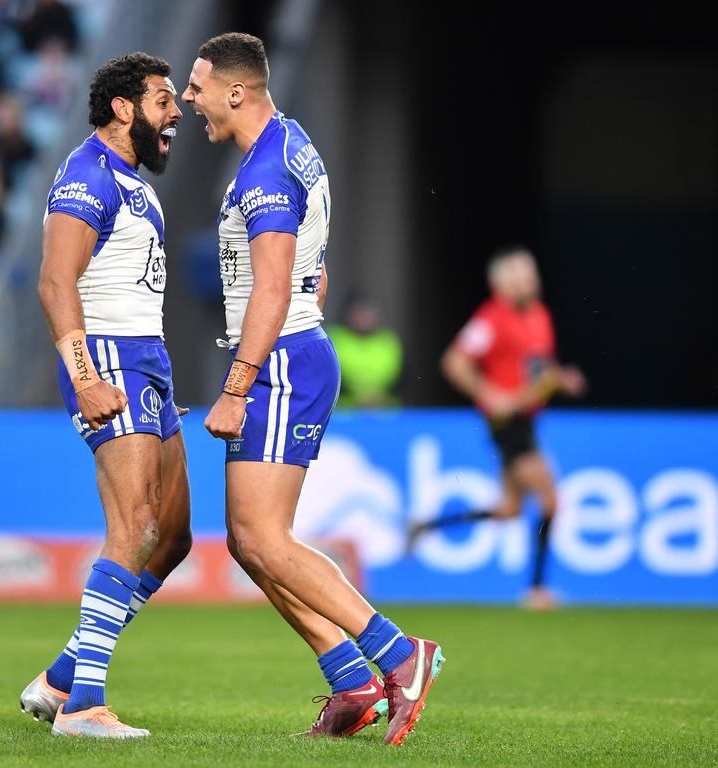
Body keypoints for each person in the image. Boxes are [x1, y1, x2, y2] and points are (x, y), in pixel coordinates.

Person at [182, 33, 443, 745]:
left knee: (263, 536)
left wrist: (237, 384)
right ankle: (352, 684)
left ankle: (397, 656)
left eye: (198, 85)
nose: (187, 97)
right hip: (296, 347)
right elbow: (310, 267)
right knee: (248, 540)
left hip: (279, 360)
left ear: (237, 92)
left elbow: (272, 285)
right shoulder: (295, 143)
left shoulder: (263, 174)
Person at [19, 52, 190, 740]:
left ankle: (62, 676)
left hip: (149, 358)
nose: (175, 111)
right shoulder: (88, 176)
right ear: (124, 107)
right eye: (162, 100)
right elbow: (56, 283)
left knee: (171, 536)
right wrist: (85, 376)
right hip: (111, 359)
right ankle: (84, 705)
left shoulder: (133, 180)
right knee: (135, 525)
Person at [410, 246, 585, 608]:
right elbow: (455, 361)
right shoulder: (492, 319)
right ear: (501, 284)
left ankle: (425, 527)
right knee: (551, 500)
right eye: (519, 276)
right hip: (509, 423)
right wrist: (488, 392)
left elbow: (538, 368)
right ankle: (537, 590)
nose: (528, 282)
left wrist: (559, 379)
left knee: (509, 509)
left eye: (530, 274)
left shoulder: (538, 316)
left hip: (528, 419)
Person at [328, 297, 402, 407]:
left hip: (384, 410)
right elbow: (326, 374)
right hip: (343, 411)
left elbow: (403, 377)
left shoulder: (388, 341)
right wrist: (357, 397)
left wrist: (377, 397)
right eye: (360, 313)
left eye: (368, 314)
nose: (364, 319)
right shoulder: (335, 338)